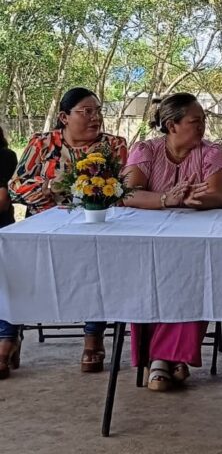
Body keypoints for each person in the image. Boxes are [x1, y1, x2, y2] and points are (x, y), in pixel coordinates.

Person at [8, 87, 128, 374]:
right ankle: (7, 337)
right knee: (11, 262)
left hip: (98, 228)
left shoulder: (113, 145)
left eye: (98, 111)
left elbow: (123, 189)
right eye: (87, 111)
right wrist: (48, 188)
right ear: (64, 117)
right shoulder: (42, 143)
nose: (95, 117)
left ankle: (93, 336)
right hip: (44, 227)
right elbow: (16, 185)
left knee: (97, 263)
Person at [122, 93, 222, 391]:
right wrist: (164, 199)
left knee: (196, 282)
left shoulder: (212, 152)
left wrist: (192, 201)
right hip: (148, 244)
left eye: (203, 121)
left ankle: (160, 359)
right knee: (144, 282)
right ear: (171, 125)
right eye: (195, 121)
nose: (202, 127)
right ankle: (171, 359)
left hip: (197, 244)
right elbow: (127, 193)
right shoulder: (145, 150)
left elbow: (218, 195)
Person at [0, 124, 20, 379]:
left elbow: (2, 200)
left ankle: (6, 339)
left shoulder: (3, 156)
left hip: (1, 232)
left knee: (7, 285)